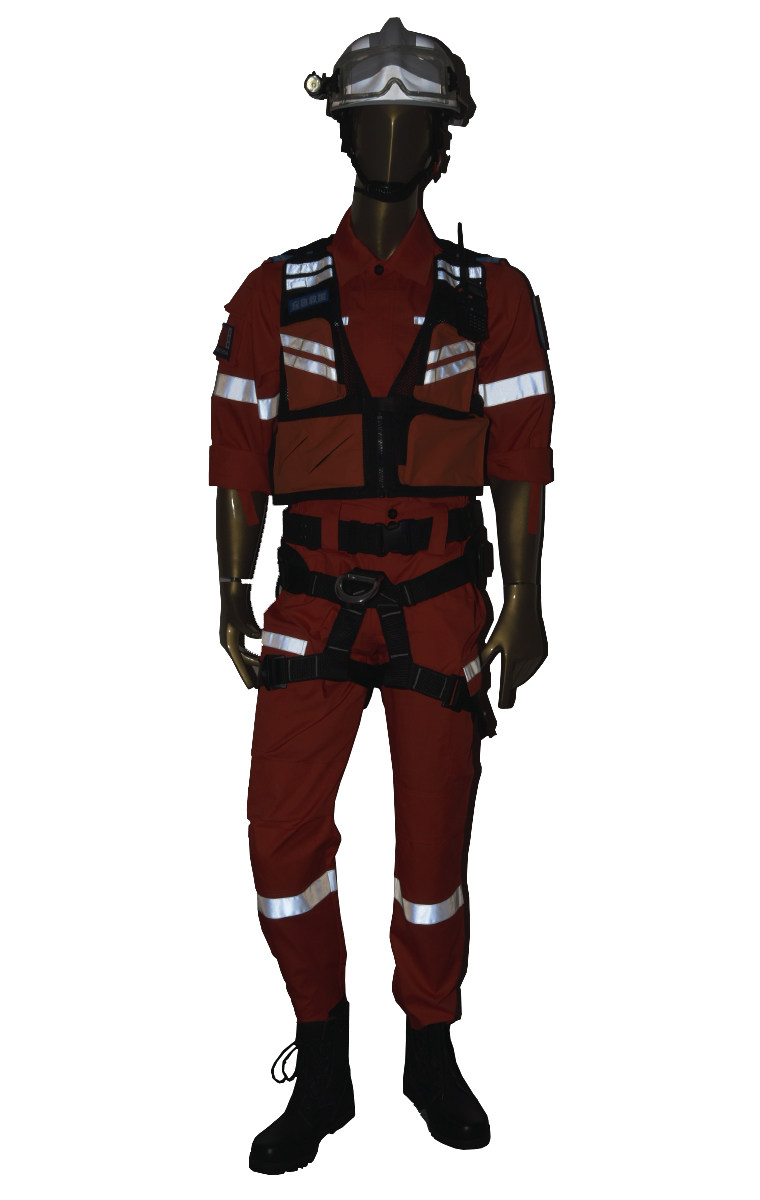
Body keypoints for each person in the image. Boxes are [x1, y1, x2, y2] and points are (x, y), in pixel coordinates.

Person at [209, 18, 554, 1174]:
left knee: (434, 856)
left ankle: (429, 1048)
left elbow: (519, 454)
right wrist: (229, 589)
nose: (396, 137)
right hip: (308, 601)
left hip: (445, 597)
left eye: (417, 121)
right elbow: (238, 451)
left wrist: (527, 598)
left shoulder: (494, 297)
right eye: (374, 117)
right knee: (280, 846)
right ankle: (324, 1060)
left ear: (447, 142)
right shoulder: (274, 292)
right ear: (343, 132)